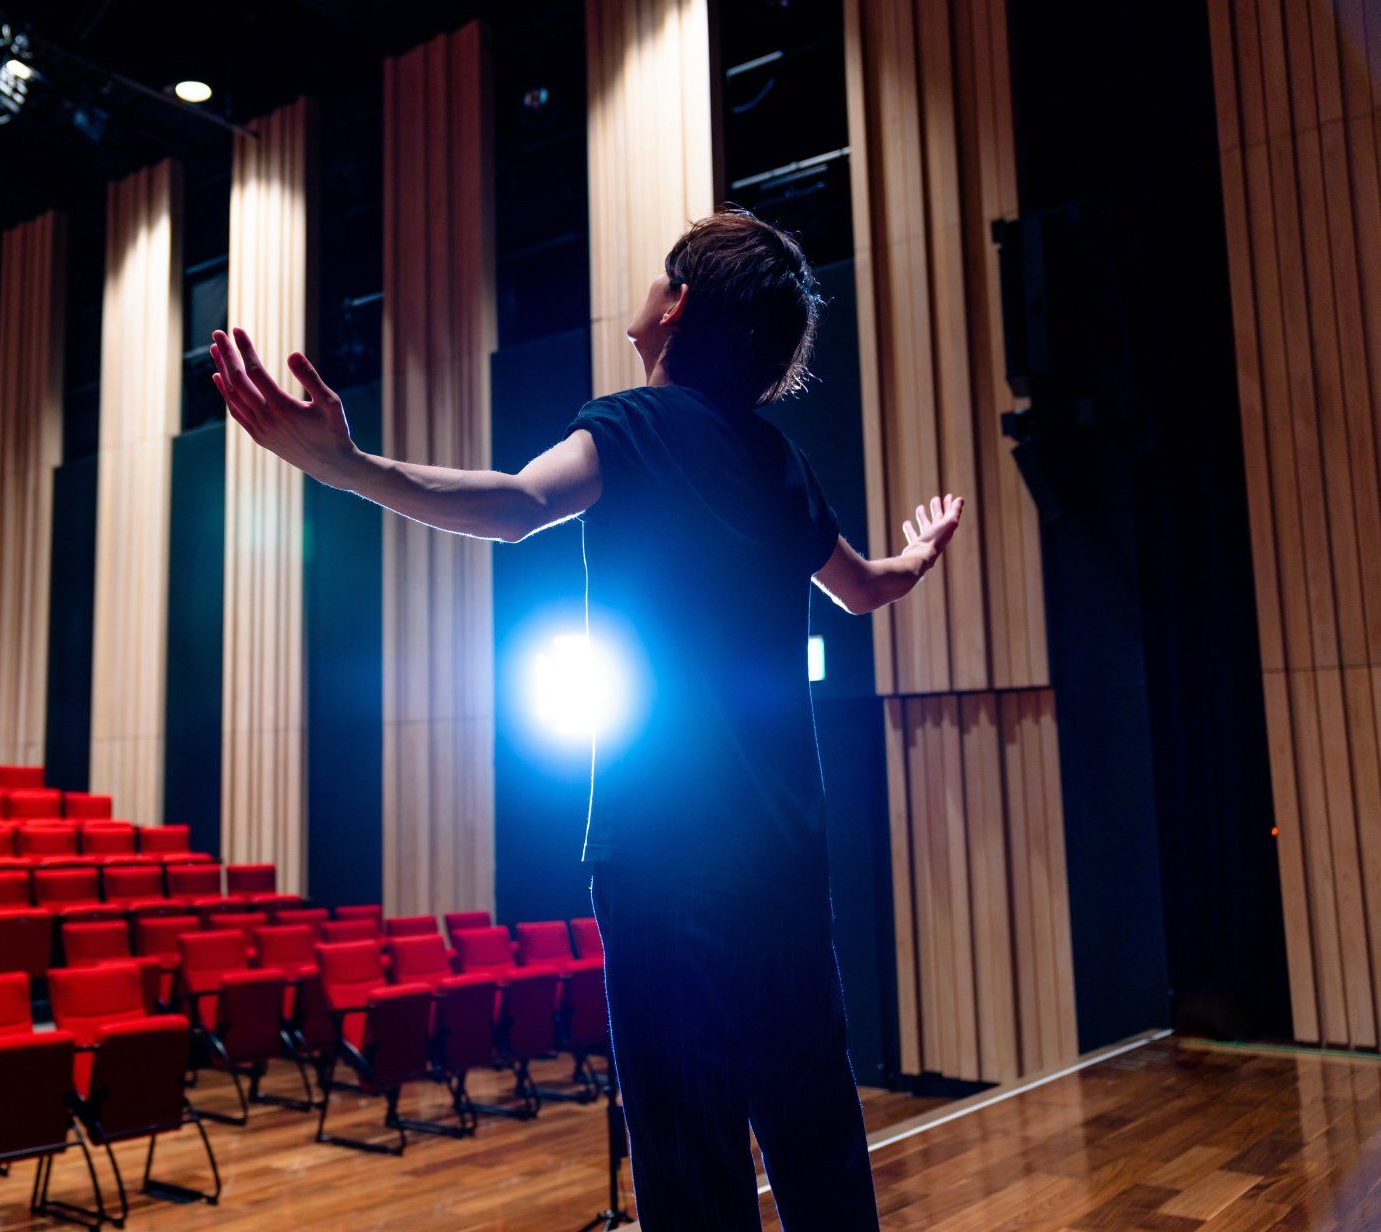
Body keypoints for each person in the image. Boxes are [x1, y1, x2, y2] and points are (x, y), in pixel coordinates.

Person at [210, 208, 963, 1231]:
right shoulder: (781, 460)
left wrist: (347, 467)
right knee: (815, 1126)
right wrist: (918, 557)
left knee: (689, 1148)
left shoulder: (634, 425)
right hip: (787, 855)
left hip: (664, 855)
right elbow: (866, 589)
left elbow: (518, 502)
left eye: (661, 276)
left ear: (680, 305)